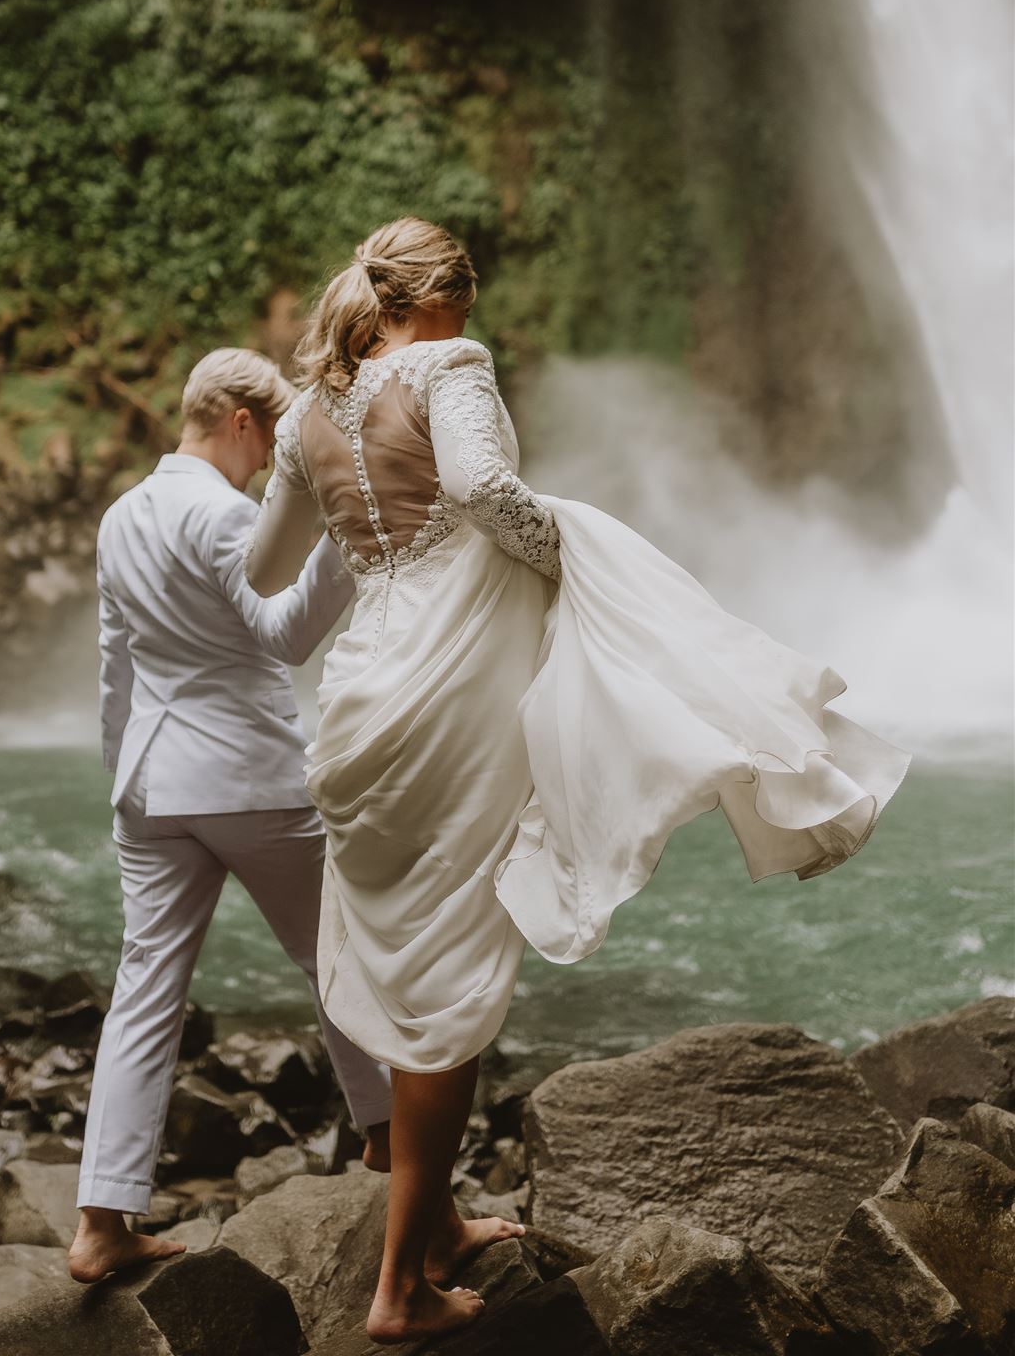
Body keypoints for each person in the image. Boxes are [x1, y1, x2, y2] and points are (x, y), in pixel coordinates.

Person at [244, 215, 912, 1344]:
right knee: (451, 978)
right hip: (449, 698)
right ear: (452, 291)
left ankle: (442, 1221)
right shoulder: (450, 364)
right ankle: (399, 1287)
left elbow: (265, 566)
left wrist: (368, 542)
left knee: (406, 947)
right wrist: (577, 557)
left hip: (362, 702)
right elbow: (484, 487)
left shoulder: (312, 412)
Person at [69, 347, 393, 1285]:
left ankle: (101, 1222)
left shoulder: (121, 515)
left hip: (152, 787)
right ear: (242, 422)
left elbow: (114, 663)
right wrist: (339, 531)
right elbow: (286, 634)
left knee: (144, 995)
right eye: (274, 437)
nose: (271, 462)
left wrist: (120, 781)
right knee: (335, 954)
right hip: (251, 781)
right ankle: (383, 1142)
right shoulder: (223, 516)